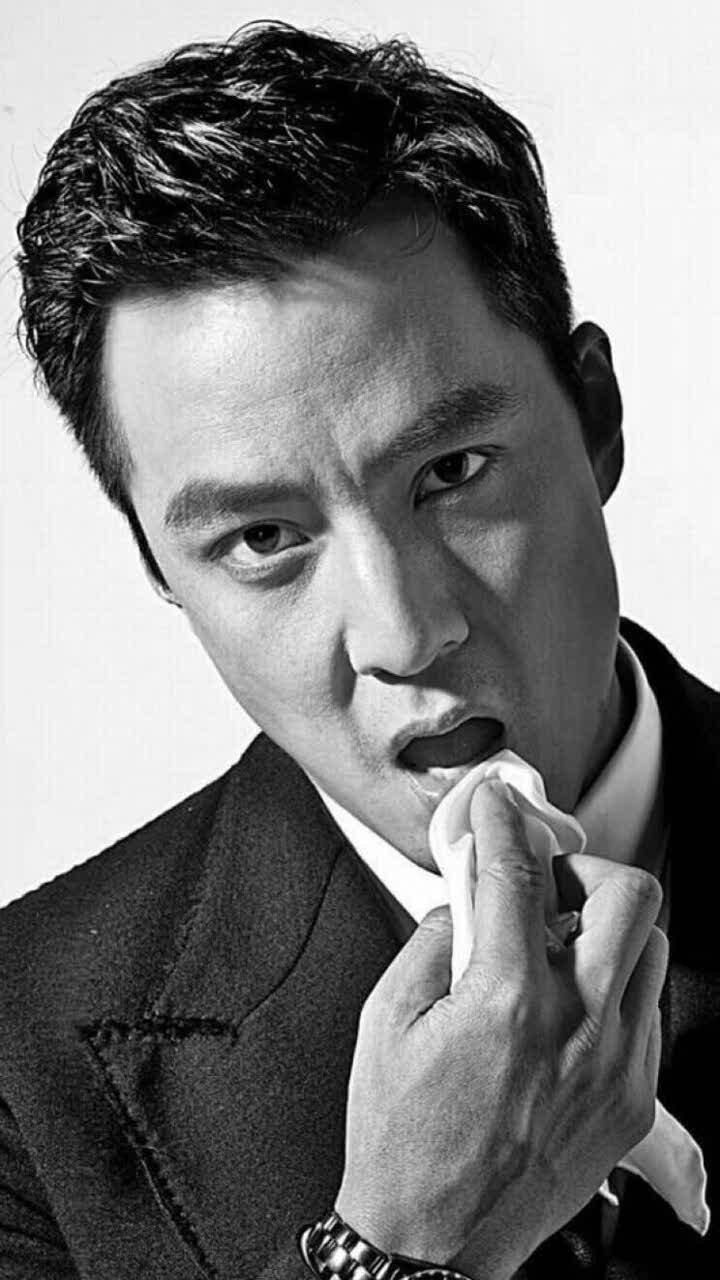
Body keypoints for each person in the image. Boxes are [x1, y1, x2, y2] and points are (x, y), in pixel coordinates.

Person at [1, 18, 717, 1279]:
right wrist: (400, 1245)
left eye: (453, 471)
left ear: (597, 416)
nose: (404, 629)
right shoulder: (20, 1062)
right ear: (161, 571)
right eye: (264, 537)